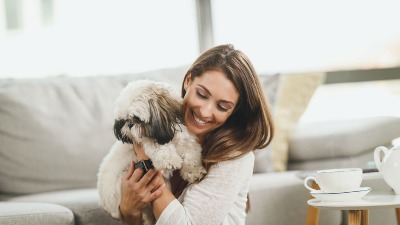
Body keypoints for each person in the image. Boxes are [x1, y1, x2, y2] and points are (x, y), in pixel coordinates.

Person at [119, 44, 274, 225]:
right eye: (202, 94)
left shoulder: (236, 157)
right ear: (188, 81)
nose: (205, 112)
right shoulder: (155, 126)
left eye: (222, 107)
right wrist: (129, 213)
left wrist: (148, 165)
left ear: (234, 112)